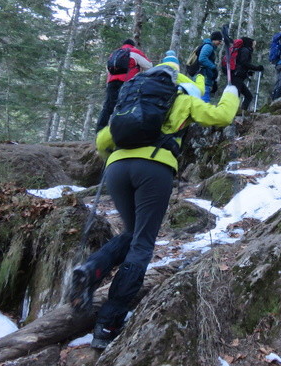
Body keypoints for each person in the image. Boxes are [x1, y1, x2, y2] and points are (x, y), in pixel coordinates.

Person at [68, 53, 239, 350]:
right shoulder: (180, 98)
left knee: (132, 233)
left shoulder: (130, 102)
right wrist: (231, 92)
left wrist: (117, 160)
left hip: (117, 169)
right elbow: (221, 116)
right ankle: (109, 322)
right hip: (154, 167)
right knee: (143, 243)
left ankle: (92, 269)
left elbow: (101, 142)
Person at [95, 39, 153, 132]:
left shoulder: (114, 53)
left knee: (108, 106)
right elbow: (149, 65)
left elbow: (108, 68)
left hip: (111, 82)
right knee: (125, 106)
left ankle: (100, 130)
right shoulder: (134, 51)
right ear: (133, 45)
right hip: (127, 82)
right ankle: (120, 131)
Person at [186, 31, 222, 103]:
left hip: (202, 76)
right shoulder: (208, 46)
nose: (220, 43)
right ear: (214, 39)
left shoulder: (208, 46)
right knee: (204, 101)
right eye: (219, 40)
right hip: (202, 76)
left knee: (198, 99)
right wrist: (213, 67)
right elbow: (202, 58)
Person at [231, 37, 264, 111]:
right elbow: (244, 63)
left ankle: (241, 112)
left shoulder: (243, 50)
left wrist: (247, 72)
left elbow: (241, 64)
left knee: (248, 96)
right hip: (237, 77)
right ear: (250, 43)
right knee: (236, 96)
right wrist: (257, 68)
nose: (254, 46)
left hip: (237, 76)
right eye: (253, 44)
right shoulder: (245, 50)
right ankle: (233, 114)